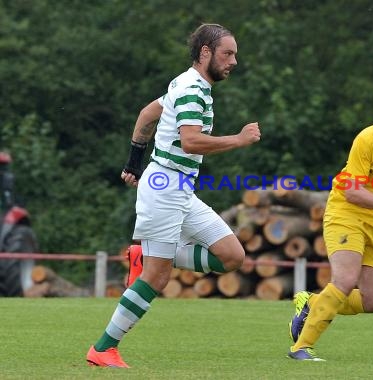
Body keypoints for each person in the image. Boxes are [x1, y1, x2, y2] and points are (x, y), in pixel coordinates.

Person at [86, 23, 261, 368]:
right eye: (228, 53)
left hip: (178, 188)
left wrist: (134, 162)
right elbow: (191, 141)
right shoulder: (192, 89)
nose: (234, 61)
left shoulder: (187, 84)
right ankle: (103, 349)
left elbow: (147, 115)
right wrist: (238, 139)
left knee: (232, 255)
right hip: (164, 188)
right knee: (157, 277)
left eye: (235, 54)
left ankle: (145, 254)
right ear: (205, 53)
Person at [287, 84, 373, 361]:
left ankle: (312, 303)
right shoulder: (368, 138)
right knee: (345, 279)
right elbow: (352, 191)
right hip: (345, 211)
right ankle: (301, 347)